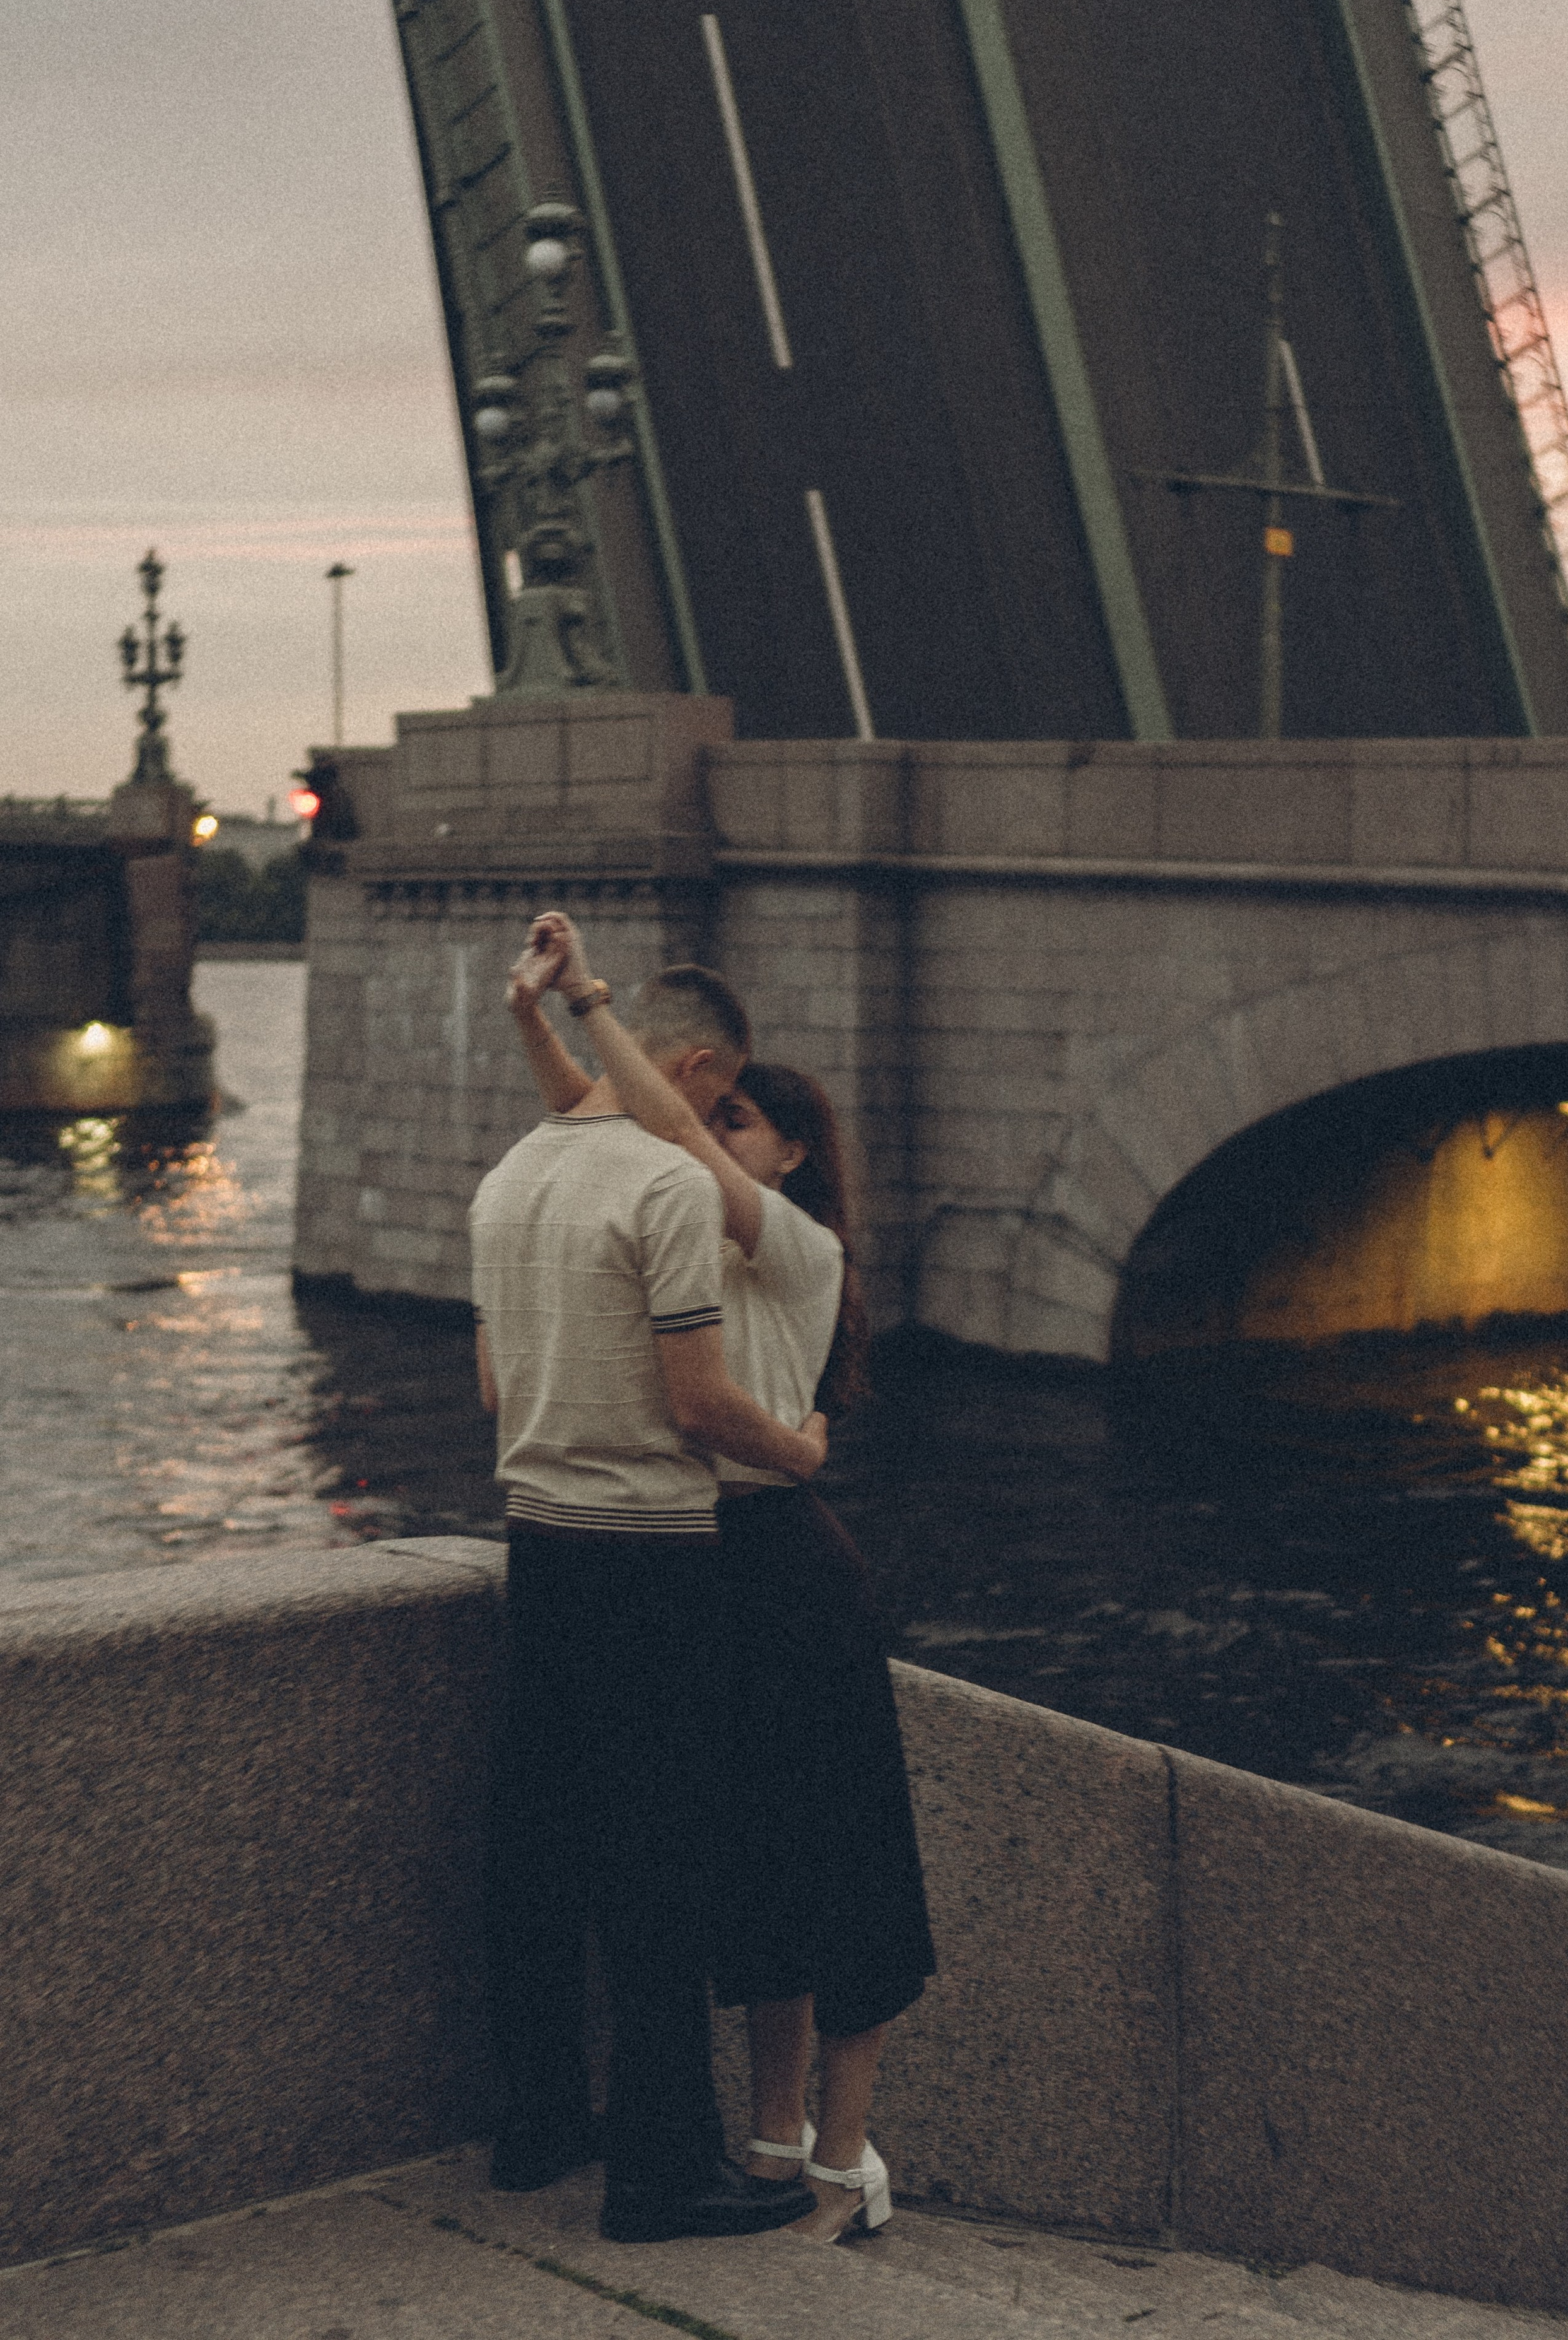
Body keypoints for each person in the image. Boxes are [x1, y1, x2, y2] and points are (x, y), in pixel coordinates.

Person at [509, 914, 935, 2245]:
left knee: (841, 1867)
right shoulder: (688, 1211)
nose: (708, 1127)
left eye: (740, 1118)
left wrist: (587, 999)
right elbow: (607, 1120)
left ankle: (843, 2159)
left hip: (788, 1577)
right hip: (702, 1572)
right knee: (745, 1870)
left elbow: (659, 1128)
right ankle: (767, 2135)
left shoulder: (796, 1247)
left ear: (791, 1156)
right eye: (723, 1108)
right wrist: (537, 1022)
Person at [470, 961, 823, 2245]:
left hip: (536, 1540)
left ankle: (537, 2125)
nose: (702, 1123)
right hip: (650, 1553)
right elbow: (695, 1402)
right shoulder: (668, 1187)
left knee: (537, 1847)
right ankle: (662, 2172)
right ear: (696, 1073)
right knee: (659, 1864)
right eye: (714, 1096)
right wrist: (797, 1449)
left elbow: (497, 1392)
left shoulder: (509, 1179)